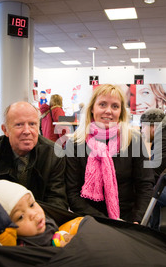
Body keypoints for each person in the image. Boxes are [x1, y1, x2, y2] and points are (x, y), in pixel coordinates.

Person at [65, 84, 154, 223]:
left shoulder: (134, 140)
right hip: (90, 220)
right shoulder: (76, 144)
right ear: (92, 109)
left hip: (129, 220)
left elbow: (145, 185)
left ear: (121, 112)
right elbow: (72, 194)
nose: (109, 111)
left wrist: (137, 220)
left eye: (115, 106)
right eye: (102, 104)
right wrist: (107, 221)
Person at [0, 101, 68, 211]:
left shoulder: (54, 154)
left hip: (41, 222)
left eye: (32, 124)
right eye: (19, 125)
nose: (27, 131)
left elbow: (57, 201)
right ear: (5, 130)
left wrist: (35, 222)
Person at [0, 179, 80, 247]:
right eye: (20, 217)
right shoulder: (25, 248)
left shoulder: (45, 222)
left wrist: (64, 235)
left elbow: (56, 233)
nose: (33, 214)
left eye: (31, 205)